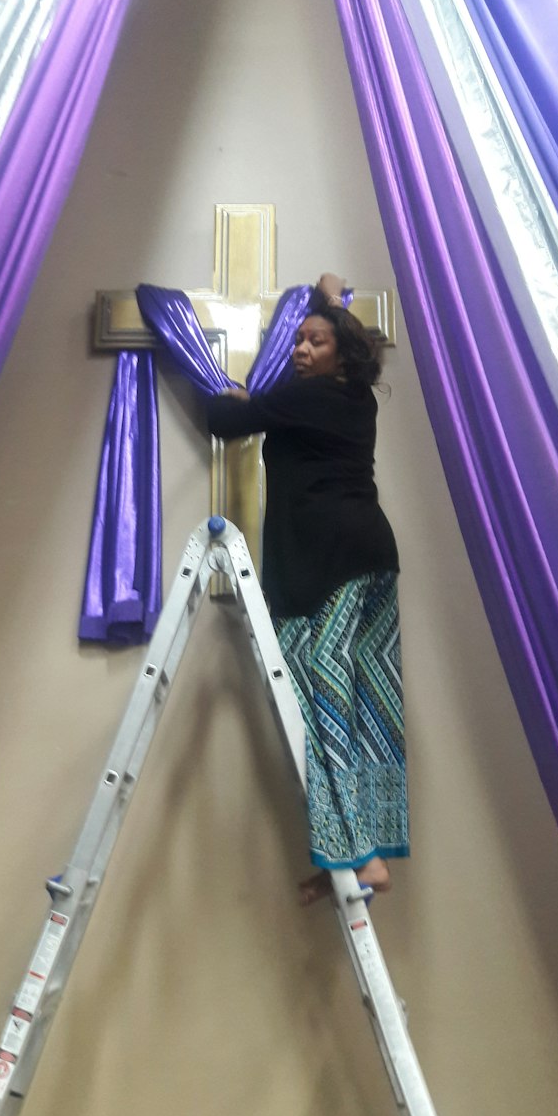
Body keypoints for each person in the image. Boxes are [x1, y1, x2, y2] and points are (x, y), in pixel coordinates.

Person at [205, 273, 405, 904]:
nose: (299, 349)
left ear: (340, 355)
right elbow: (276, 405)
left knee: (316, 685)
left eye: (314, 342)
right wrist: (331, 300)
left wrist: (235, 396)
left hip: (327, 557)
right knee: (369, 697)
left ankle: (356, 851)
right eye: (298, 341)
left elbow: (221, 420)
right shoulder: (355, 400)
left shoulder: (307, 398)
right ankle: (359, 848)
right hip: (370, 555)